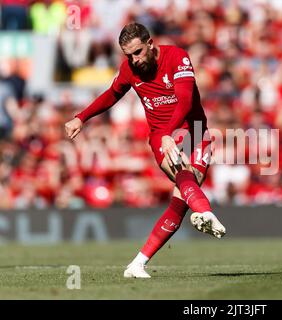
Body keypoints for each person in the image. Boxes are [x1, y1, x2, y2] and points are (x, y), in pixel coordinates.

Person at [64, 22, 226, 279]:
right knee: (184, 174)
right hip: (161, 137)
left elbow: (184, 101)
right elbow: (111, 94)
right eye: (128, 55)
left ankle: (137, 264)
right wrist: (81, 118)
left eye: (138, 52)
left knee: (180, 202)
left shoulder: (177, 58)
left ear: (150, 44)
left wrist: (172, 133)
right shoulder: (129, 69)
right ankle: (205, 212)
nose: (134, 60)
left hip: (195, 131)